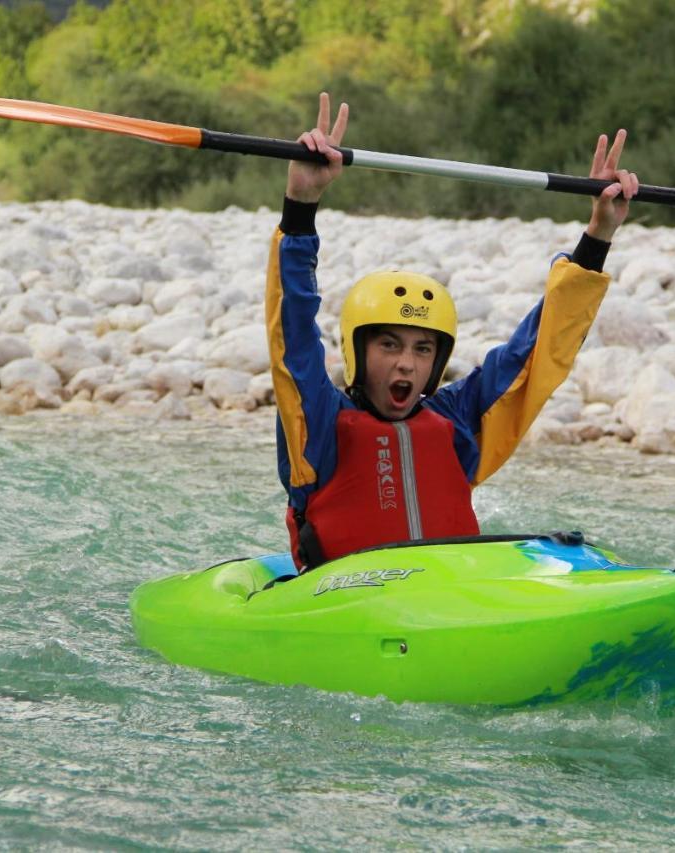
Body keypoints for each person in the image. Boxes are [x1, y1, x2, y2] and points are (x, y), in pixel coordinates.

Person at [267, 93, 638, 572]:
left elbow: (537, 353)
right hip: (348, 608)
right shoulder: (316, 426)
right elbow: (291, 334)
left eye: (424, 349)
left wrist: (599, 234)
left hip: (452, 606)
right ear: (356, 352)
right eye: (389, 344)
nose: (408, 363)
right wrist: (301, 205)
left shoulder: (460, 423)